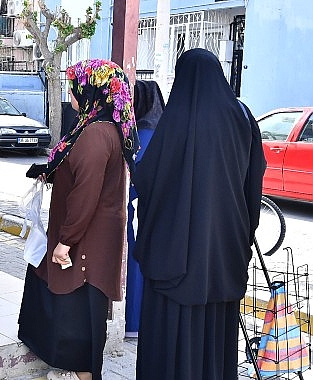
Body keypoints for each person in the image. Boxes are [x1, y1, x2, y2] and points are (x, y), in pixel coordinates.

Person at [133, 48, 266, 379]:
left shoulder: (176, 119)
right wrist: (243, 232)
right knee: (217, 327)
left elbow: (148, 179)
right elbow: (255, 180)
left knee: (172, 328)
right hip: (225, 247)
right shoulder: (242, 116)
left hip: (174, 253)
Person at [18, 59, 138, 380]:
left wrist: (66, 242)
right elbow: (81, 174)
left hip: (85, 245)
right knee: (78, 318)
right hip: (92, 240)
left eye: (74, 86)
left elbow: (86, 192)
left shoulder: (96, 134)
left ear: (90, 91)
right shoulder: (96, 126)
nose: (70, 94)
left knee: (80, 323)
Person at [124, 80, 165, 339]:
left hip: (139, 214)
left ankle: (133, 322)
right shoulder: (166, 130)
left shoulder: (141, 135)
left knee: (133, 266)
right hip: (160, 215)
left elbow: (133, 180)